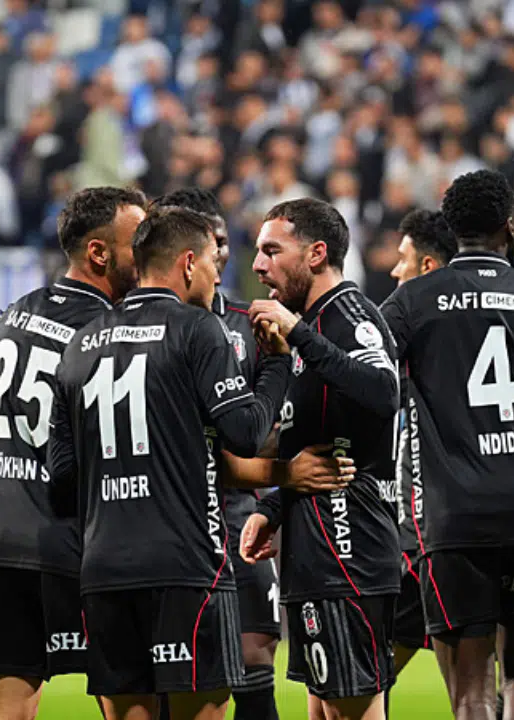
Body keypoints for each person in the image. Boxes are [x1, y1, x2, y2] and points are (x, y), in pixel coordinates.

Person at [48, 207, 294, 720]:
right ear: (187, 264)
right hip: (186, 565)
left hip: (104, 568)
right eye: (211, 262)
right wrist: (274, 365)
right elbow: (246, 432)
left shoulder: (80, 344)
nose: (216, 274)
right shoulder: (197, 330)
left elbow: (63, 479)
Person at [380, 170, 514, 720]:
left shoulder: (413, 302)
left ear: (451, 231)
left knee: (472, 688)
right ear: (510, 225)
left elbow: (369, 383)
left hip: (453, 515)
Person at [0, 186, 148, 720]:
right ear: (98, 253)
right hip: (83, 543)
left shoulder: (19, 312)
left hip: (5, 538)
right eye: (139, 241)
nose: (150, 252)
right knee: (133, 703)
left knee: (4, 711)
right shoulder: (110, 331)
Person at [242, 198, 402, 720]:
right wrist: (274, 509)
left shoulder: (350, 317)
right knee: (324, 712)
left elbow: (383, 393)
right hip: (316, 554)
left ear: (315, 253)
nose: (257, 264)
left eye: (272, 250)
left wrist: (300, 336)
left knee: (351, 711)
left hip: (348, 551)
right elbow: (312, 445)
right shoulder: (306, 331)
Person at [153, 187, 282, 720]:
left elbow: (272, 429)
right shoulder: (144, 327)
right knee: (167, 674)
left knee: (256, 658)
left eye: (225, 241)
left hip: (238, 518)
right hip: (170, 525)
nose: (222, 254)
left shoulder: (252, 322)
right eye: (211, 243)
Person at [386, 209, 456, 682]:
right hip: (444, 531)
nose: (394, 270)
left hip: (428, 536)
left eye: (403, 259)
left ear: (427, 267)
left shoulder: (410, 323)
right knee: (507, 677)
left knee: (363, 677)